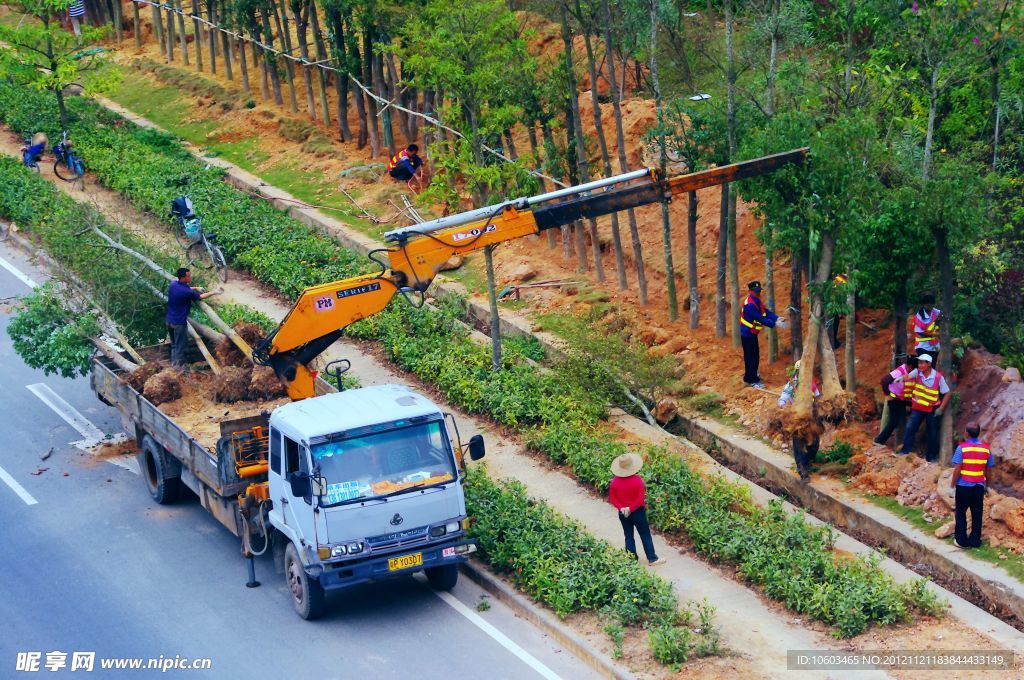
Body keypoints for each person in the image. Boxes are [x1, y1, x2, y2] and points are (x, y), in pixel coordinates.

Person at [608, 453, 665, 566]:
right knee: (644, 534)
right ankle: (652, 558)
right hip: (637, 512)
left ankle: (632, 559)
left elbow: (612, 498)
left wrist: (622, 508)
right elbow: (640, 498)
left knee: (628, 535)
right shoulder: (637, 480)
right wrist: (631, 508)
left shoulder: (614, 481)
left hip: (623, 513)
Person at [895, 353, 951, 462]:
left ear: (929, 364)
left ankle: (932, 457)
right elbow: (908, 376)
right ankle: (905, 451)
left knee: (932, 433)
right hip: (918, 408)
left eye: (921, 363)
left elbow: (947, 393)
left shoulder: (938, 377)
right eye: (919, 363)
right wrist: (901, 378)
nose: (919, 365)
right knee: (910, 428)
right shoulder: (917, 372)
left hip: (932, 409)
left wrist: (941, 409)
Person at [950, 422, 994, 548]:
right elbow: (989, 470)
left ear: (967, 433)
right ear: (978, 433)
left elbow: (957, 469)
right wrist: (988, 486)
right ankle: (975, 541)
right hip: (978, 487)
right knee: (977, 514)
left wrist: (952, 486)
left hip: (963, 487)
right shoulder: (986, 449)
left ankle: (962, 541)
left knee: (960, 513)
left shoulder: (961, 448)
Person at [166, 267, 219, 369]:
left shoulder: (174, 284)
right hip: (179, 323)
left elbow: (186, 288)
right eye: (188, 276)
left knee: (174, 345)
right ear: (183, 278)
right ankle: (178, 370)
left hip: (169, 321)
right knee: (180, 347)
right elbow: (200, 297)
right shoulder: (186, 292)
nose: (190, 277)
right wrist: (214, 292)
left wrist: (196, 287)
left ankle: (173, 366)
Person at [778, 360, 821, 481]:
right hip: (797, 419)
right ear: (798, 371)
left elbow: (817, 396)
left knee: (814, 444)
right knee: (799, 444)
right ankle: (802, 470)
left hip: (811, 418)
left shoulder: (811, 383)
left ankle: (807, 463)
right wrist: (785, 407)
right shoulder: (792, 385)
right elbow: (781, 401)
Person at [740, 280, 785, 388]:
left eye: (759, 291)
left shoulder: (756, 300)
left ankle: (751, 375)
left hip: (752, 333)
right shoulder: (750, 305)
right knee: (751, 356)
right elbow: (760, 318)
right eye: (756, 291)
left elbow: (765, 311)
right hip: (747, 334)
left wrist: (777, 318)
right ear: (750, 291)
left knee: (754, 355)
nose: (758, 293)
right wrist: (775, 323)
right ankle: (752, 379)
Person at [874, 354, 917, 446]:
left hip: (901, 399)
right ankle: (879, 441)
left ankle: (902, 443)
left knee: (901, 420)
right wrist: (887, 394)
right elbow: (884, 381)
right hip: (894, 399)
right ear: (910, 367)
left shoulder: (908, 371)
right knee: (893, 422)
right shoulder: (899, 372)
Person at [913, 293, 941, 359]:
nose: (929, 307)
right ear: (924, 305)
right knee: (925, 366)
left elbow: (943, 317)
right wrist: (935, 334)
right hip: (922, 346)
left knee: (932, 367)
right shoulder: (919, 317)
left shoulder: (936, 312)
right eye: (927, 305)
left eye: (931, 305)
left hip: (934, 346)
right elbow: (920, 333)